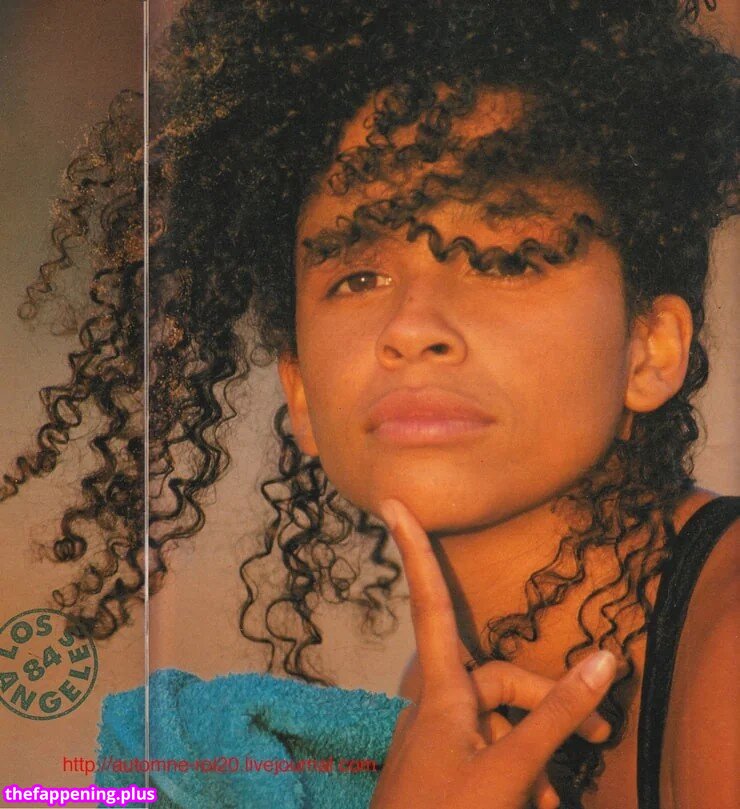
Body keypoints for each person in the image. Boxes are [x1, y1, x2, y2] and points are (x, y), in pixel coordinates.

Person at [3, 1, 737, 807]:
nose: (411, 327)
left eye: (503, 257)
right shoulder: (438, 693)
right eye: (358, 276)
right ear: (301, 393)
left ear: (650, 348)